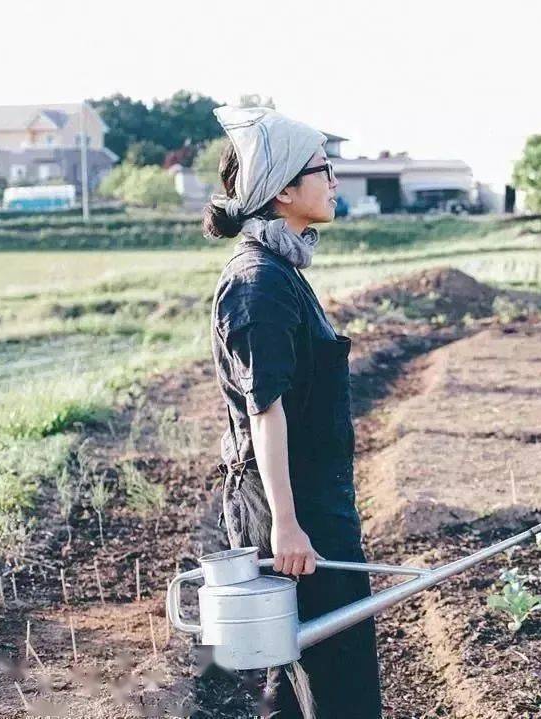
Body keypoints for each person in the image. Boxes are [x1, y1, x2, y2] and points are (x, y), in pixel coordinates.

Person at [202, 105, 381, 718]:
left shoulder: (281, 270)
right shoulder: (259, 284)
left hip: (310, 502)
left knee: (307, 681)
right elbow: (265, 411)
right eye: (323, 169)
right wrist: (287, 524)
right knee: (340, 688)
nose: (335, 181)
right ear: (282, 188)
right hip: (293, 508)